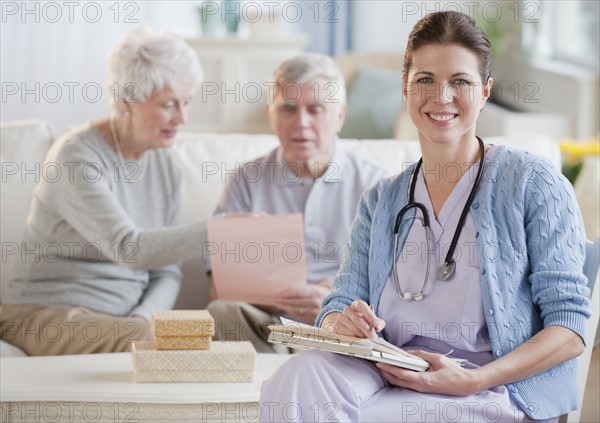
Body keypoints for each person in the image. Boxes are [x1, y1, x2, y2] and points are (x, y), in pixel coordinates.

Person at [259, 11, 591, 422]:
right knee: (295, 379)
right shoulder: (383, 199)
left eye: (461, 82)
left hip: (484, 388)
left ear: (485, 92)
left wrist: (475, 379)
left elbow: (570, 328)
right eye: (425, 80)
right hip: (387, 369)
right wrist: (337, 322)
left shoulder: (530, 183)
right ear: (405, 87)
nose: (442, 96)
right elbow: (340, 300)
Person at [0, 28, 208, 356]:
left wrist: (144, 318)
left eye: (187, 102)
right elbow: (130, 248)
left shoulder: (165, 167)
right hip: (44, 314)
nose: (181, 118)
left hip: (124, 323)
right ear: (127, 100)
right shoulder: (77, 157)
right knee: (154, 346)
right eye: (168, 104)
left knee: (190, 342)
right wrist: (221, 230)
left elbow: (166, 270)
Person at [207, 53, 388, 353]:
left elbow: (394, 282)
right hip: (266, 326)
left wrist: (332, 296)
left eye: (315, 109)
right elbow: (218, 288)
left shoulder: (377, 184)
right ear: (270, 113)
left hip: (342, 328)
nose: (301, 123)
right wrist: (280, 297)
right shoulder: (245, 180)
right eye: (288, 109)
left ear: (340, 115)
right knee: (221, 313)